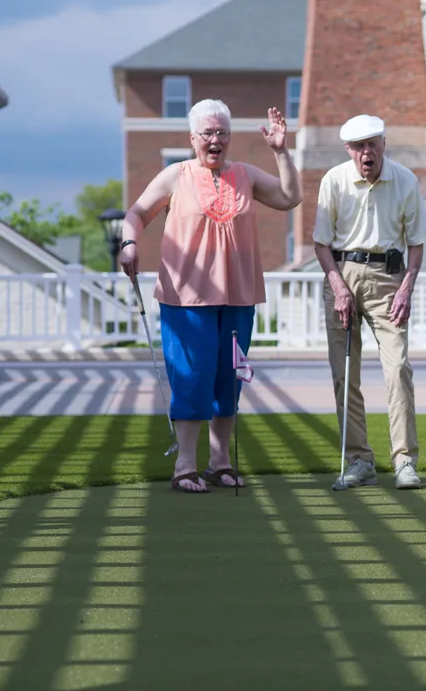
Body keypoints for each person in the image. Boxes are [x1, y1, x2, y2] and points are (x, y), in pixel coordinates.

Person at [120, 99, 302, 492]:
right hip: (185, 299)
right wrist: (129, 244)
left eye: (222, 132)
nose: (215, 139)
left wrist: (281, 152)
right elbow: (136, 214)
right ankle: (185, 465)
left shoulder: (246, 175)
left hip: (238, 296)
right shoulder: (175, 176)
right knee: (191, 377)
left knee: (227, 380)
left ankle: (219, 463)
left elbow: (290, 198)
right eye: (208, 133)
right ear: (192, 138)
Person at [314, 115, 426, 491]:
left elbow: (416, 242)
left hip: (388, 279)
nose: (367, 152)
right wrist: (339, 286)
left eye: (373, 144)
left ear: (383, 144)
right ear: (349, 150)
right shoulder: (333, 180)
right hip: (341, 276)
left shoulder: (405, 180)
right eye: (359, 146)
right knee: (344, 374)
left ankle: (405, 461)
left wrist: (406, 288)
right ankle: (359, 460)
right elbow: (321, 243)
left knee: (397, 367)